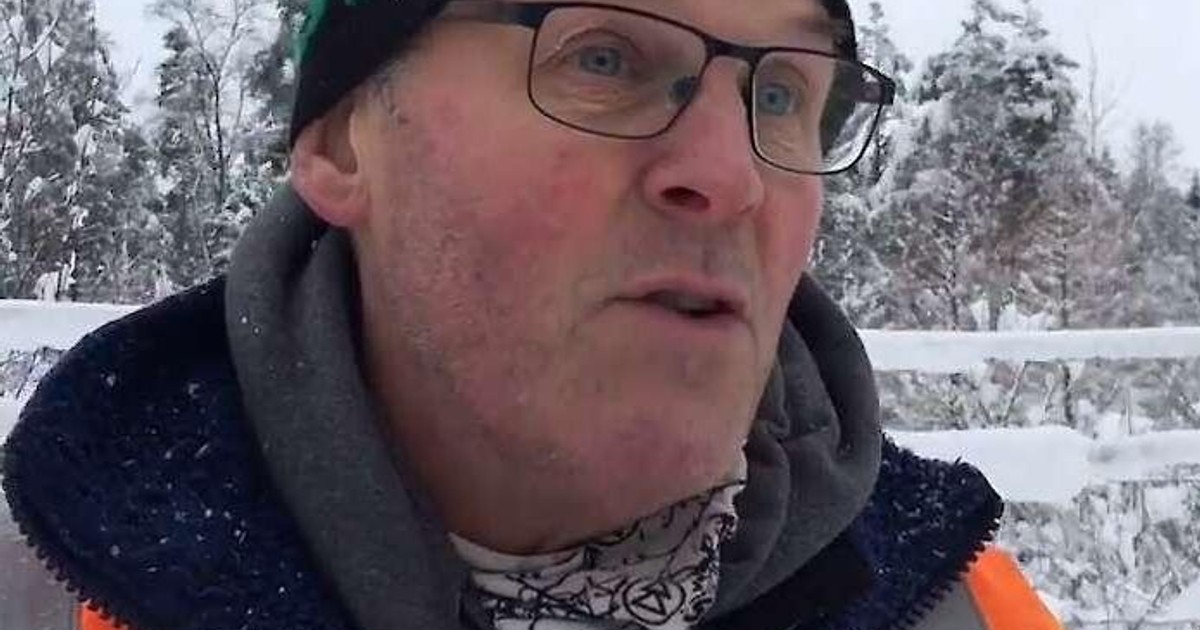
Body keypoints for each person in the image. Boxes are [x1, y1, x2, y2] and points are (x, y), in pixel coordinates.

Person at [2, 1, 1064, 629]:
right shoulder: (46, 592)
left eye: (782, 94)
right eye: (603, 57)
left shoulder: (964, 609)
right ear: (341, 139)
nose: (729, 176)